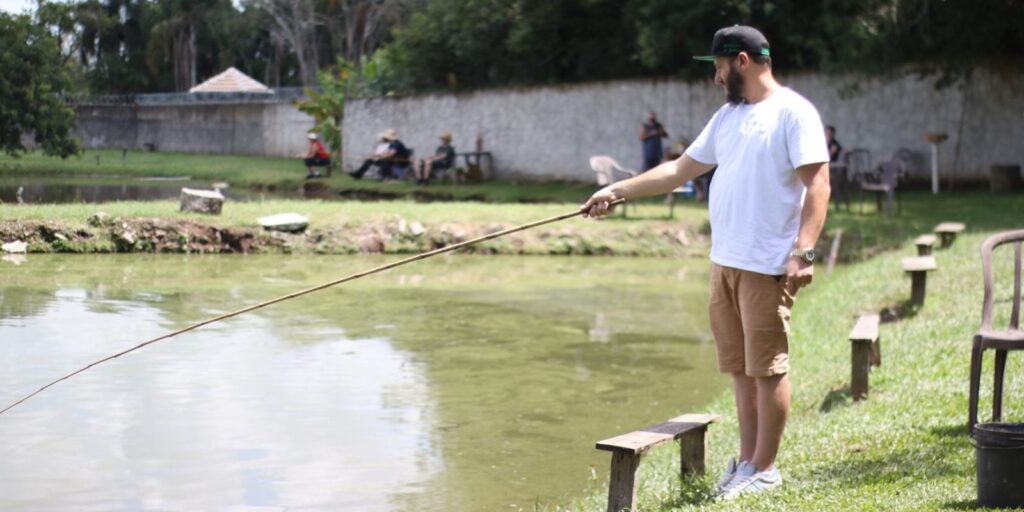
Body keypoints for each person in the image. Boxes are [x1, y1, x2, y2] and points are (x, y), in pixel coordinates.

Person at [582, 25, 830, 501]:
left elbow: (818, 186)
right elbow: (679, 170)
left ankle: (766, 467)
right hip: (725, 263)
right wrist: (617, 192)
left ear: (741, 61)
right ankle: (746, 462)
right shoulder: (727, 117)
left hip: (766, 263)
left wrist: (804, 251)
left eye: (717, 67)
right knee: (739, 369)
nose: (715, 77)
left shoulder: (793, 113)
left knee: (767, 368)